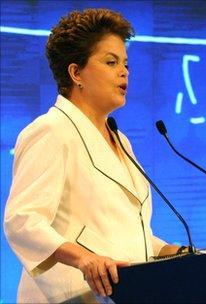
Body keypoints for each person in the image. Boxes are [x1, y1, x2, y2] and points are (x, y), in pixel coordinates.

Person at [3, 8, 186, 304]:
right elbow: (23, 221)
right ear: (76, 73)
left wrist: (179, 253)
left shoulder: (120, 140)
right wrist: (84, 258)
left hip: (121, 295)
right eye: (110, 62)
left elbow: (120, 234)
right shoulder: (51, 130)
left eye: (125, 63)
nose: (124, 72)